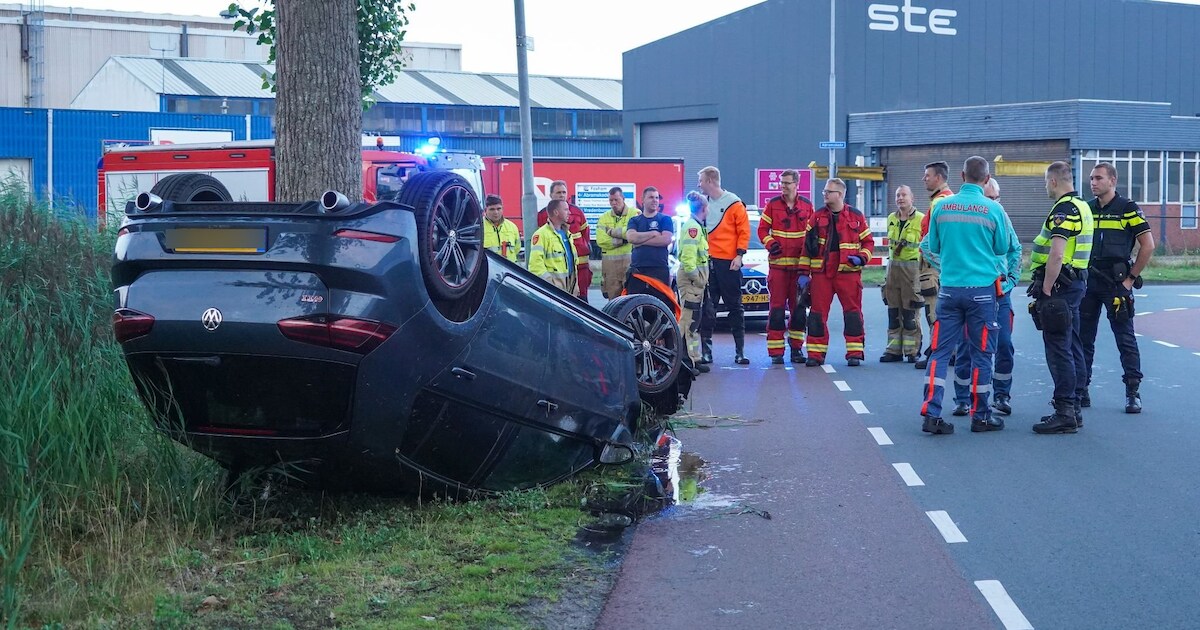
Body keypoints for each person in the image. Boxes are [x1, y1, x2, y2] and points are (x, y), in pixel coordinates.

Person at [917, 157, 1016, 435]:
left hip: (949, 291)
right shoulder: (993, 209)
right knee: (982, 355)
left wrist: (944, 266)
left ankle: (931, 413)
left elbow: (931, 245)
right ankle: (981, 416)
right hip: (983, 293)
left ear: (961, 176)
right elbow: (1002, 248)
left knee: (940, 352)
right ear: (987, 179)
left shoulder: (942, 207)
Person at [1081, 161, 1154, 414]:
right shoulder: (1086, 209)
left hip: (1116, 285)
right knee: (1083, 338)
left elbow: (1148, 245)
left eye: (1098, 178)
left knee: (1125, 339)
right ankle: (1082, 390)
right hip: (1088, 283)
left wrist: (1130, 280)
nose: (1093, 183)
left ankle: (1132, 393)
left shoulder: (1128, 208)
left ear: (1113, 181)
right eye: (1091, 178)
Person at [1028, 161, 1094, 435]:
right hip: (1075, 285)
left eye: (1046, 182)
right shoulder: (1083, 206)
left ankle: (1065, 410)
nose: (1046, 187)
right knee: (1073, 344)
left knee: (1058, 348)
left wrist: (1046, 288)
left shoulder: (1063, 210)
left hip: (1059, 288)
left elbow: (1057, 253)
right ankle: (1074, 407)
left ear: (1054, 181)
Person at [949, 177, 1021, 417]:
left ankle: (1001, 395)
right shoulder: (968, 215)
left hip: (999, 294)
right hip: (972, 290)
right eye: (987, 197)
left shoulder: (1001, 215)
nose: (990, 202)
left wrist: (1010, 280)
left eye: (993, 198)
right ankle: (962, 399)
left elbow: (1015, 249)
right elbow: (928, 246)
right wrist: (949, 271)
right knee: (967, 346)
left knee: (1004, 345)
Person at [801, 178, 874, 367]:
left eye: (828, 191)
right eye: (824, 191)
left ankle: (854, 353)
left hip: (847, 272)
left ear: (840, 194)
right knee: (817, 314)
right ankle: (815, 354)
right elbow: (806, 248)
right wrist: (803, 273)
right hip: (821, 273)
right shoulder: (816, 217)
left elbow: (868, 243)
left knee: (852, 313)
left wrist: (862, 258)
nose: (824, 194)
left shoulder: (856, 216)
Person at [697, 166, 752, 365]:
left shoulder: (734, 203)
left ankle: (740, 352)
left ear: (710, 181)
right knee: (708, 308)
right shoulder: (703, 204)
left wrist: (739, 255)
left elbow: (744, 231)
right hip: (708, 263)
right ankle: (707, 352)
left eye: (701, 180)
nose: (699, 184)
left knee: (735, 307)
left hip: (729, 263)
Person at [758, 169, 814, 364]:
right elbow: (762, 229)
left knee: (799, 310)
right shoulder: (772, 205)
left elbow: (813, 233)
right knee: (777, 310)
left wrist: (810, 255)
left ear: (797, 184)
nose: (783, 186)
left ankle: (797, 349)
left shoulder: (807, 206)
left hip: (799, 269)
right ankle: (776, 352)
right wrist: (770, 243)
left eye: (787, 183)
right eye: (781, 183)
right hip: (779, 268)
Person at [915, 161, 955, 370]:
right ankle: (945, 349)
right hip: (943, 263)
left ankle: (939, 350)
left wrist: (932, 260)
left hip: (933, 264)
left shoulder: (939, 202)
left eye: (927, 175)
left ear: (938, 178)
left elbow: (934, 237)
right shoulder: (948, 199)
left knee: (934, 309)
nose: (924, 179)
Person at [879, 185, 925, 363]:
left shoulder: (921, 219)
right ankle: (893, 350)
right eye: (898, 195)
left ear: (912, 198)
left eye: (904, 195)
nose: (900, 198)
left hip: (912, 270)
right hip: (893, 270)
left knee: (910, 313)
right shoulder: (891, 218)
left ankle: (912, 351)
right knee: (893, 312)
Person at [538, 180, 592, 300]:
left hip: (581, 266)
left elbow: (585, 234)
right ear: (551, 195)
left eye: (564, 192)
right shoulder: (543, 214)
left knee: (582, 300)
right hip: (558, 269)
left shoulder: (577, 212)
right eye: (558, 192)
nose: (562, 195)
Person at [678, 191, 711, 373]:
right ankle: (682, 361)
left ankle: (694, 358)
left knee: (694, 321)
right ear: (704, 209)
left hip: (695, 282)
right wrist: (697, 279)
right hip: (692, 281)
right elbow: (688, 259)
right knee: (687, 320)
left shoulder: (696, 226)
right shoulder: (693, 228)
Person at [623, 186, 674, 292]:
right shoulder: (635, 220)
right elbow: (631, 238)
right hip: (638, 269)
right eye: (651, 197)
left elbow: (666, 240)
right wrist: (653, 233)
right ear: (642, 199)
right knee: (635, 303)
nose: (655, 200)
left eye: (657, 198)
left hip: (659, 269)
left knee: (660, 304)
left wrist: (640, 242)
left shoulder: (665, 219)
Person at [528, 199, 581, 294]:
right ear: (556, 212)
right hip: (553, 292)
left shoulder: (567, 234)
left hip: (569, 290)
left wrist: (575, 287)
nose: (569, 212)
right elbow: (535, 266)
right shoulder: (541, 235)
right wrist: (550, 284)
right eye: (565, 210)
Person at [595, 186, 634, 299]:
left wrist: (612, 232)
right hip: (611, 268)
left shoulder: (634, 213)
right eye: (611, 200)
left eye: (616, 200)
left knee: (631, 298)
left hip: (630, 264)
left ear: (623, 198)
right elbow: (601, 241)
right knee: (613, 301)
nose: (613, 203)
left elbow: (634, 233)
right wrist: (623, 240)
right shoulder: (603, 218)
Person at [482, 194, 521, 264]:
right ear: (485, 210)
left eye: (498, 209)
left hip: (510, 269)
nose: (496, 212)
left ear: (502, 209)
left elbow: (517, 248)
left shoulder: (512, 227)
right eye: (492, 209)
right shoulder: (480, 228)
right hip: (489, 269)